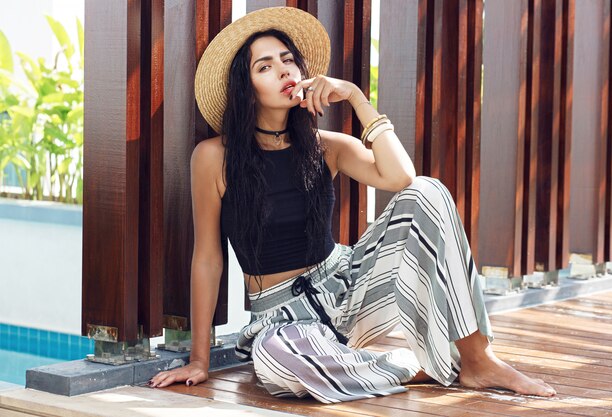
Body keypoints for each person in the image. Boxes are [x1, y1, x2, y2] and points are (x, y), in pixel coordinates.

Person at [148, 7, 556, 403]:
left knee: (428, 191)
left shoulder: (327, 148)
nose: (285, 71)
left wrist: (358, 98)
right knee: (278, 365)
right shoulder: (213, 157)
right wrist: (199, 360)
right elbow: (208, 257)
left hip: (349, 290)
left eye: (288, 61)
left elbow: (402, 179)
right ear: (246, 88)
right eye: (266, 66)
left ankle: (476, 360)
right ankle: (407, 364)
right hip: (284, 318)